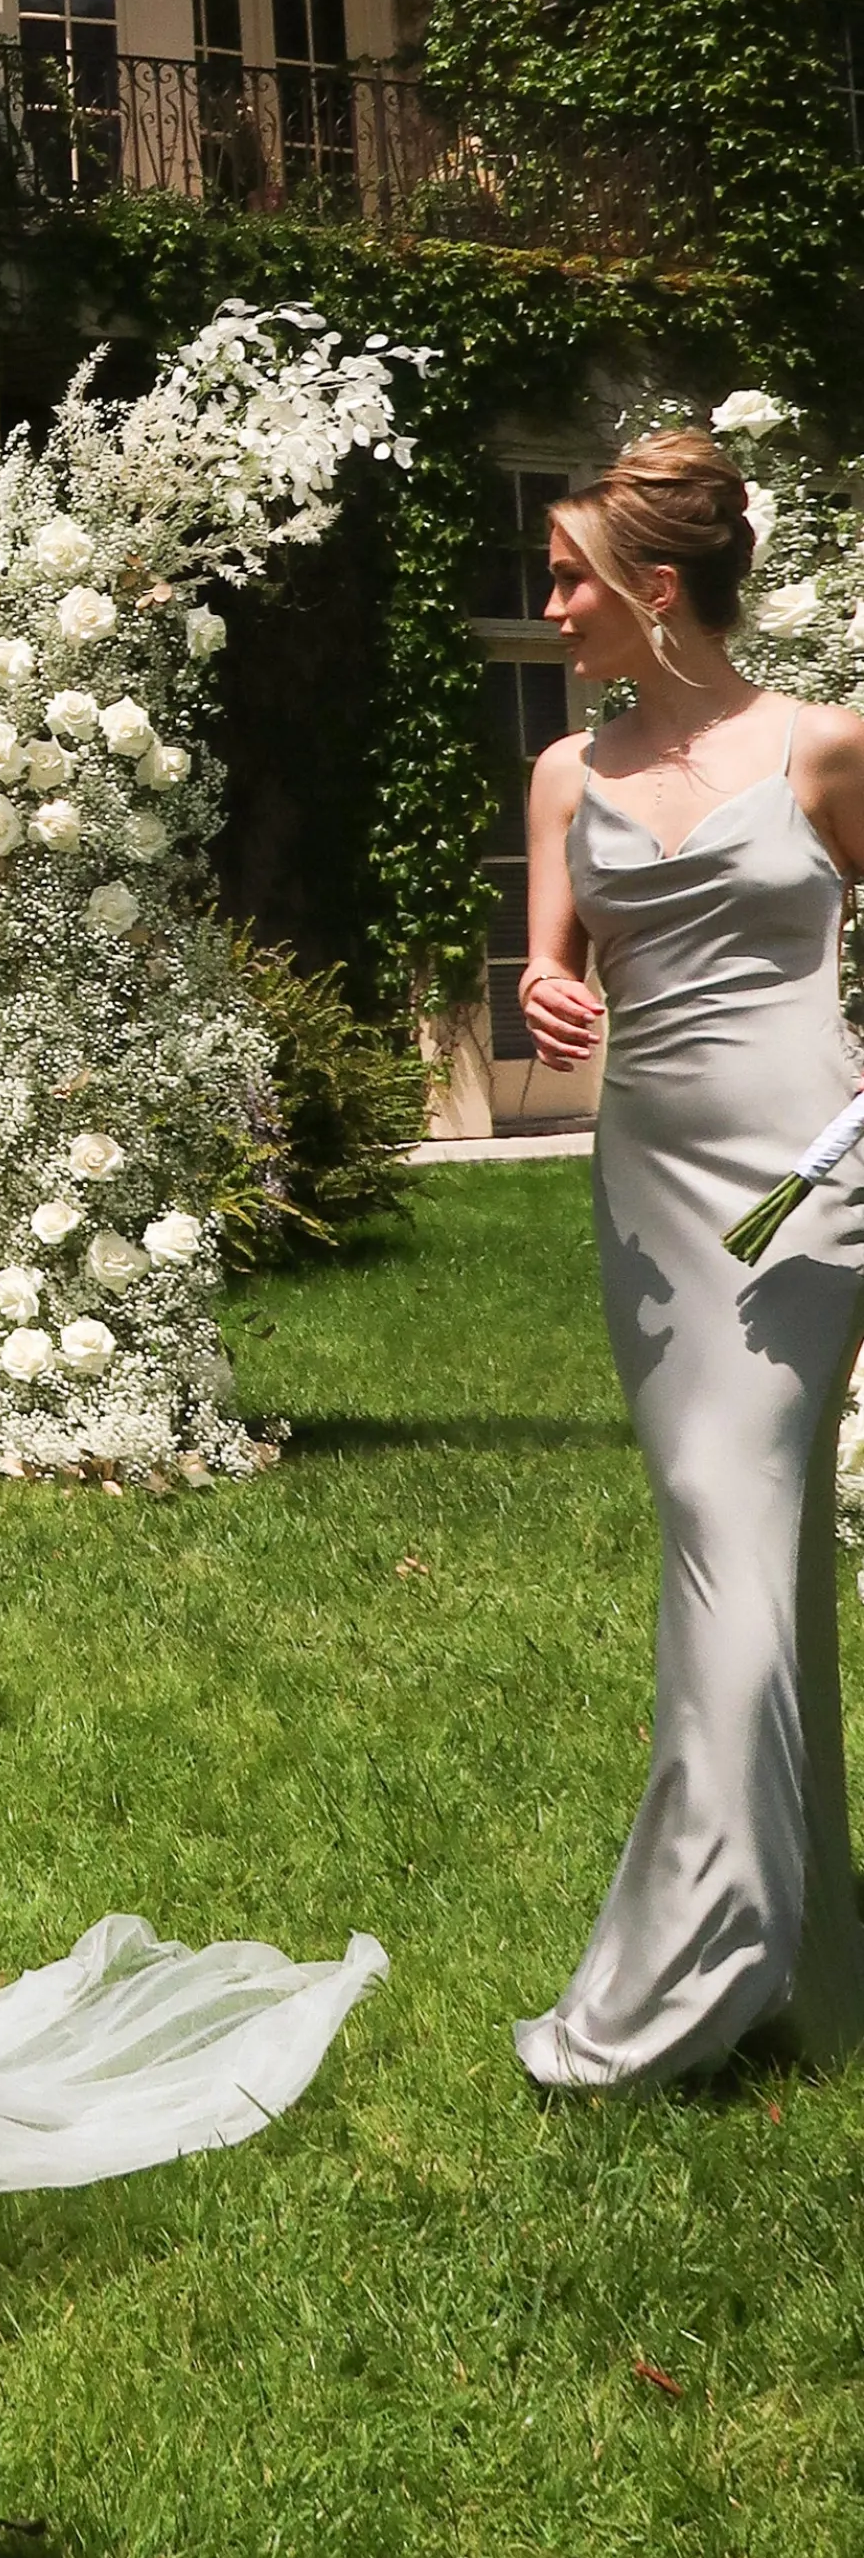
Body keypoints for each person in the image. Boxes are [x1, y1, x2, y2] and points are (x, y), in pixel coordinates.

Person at [516, 426, 864, 2092]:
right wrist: (544, 991)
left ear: (658, 590)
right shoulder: (565, 777)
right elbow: (550, 963)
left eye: (571, 574)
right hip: (651, 1199)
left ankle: (693, 1968)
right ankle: (816, 1957)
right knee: (743, 1548)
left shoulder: (821, 749)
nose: (550, 600)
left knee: (736, 1526)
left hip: (801, 1192)